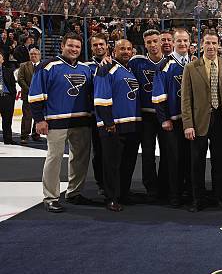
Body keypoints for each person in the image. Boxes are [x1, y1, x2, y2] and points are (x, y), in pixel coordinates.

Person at [29, 33, 94, 212]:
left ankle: (74, 193)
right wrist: (39, 119)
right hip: (55, 122)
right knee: (54, 158)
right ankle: (50, 197)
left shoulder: (86, 69)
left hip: (81, 121)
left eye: (77, 47)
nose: (74, 50)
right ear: (62, 46)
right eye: (70, 46)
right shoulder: (47, 66)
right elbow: (35, 95)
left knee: (80, 159)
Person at [182, 31, 222, 212]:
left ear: (219, 45)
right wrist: (188, 124)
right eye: (207, 43)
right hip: (198, 122)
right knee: (197, 163)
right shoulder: (191, 67)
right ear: (200, 44)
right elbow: (186, 99)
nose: (211, 46)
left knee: (221, 162)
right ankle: (198, 199)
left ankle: (220, 197)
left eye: (214, 43)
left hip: (221, 121)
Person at [94, 39, 142, 212]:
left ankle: (123, 193)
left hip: (132, 126)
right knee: (112, 164)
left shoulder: (129, 69)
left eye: (129, 49)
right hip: (113, 126)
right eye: (122, 48)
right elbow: (100, 98)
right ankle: (111, 197)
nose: (126, 51)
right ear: (113, 50)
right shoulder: (106, 68)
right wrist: (108, 122)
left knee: (127, 163)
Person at [153, 29, 191, 208]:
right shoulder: (164, 66)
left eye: (185, 41)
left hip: (190, 121)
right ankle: (174, 194)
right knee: (173, 158)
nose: (183, 44)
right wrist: (163, 119)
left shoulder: (194, 63)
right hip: (172, 121)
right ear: (173, 43)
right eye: (179, 41)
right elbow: (158, 96)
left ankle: (187, 190)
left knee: (188, 157)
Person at [129, 29, 168, 199]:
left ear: (161, 42)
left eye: (155, 41)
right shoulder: (136, 62)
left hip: (166, 116)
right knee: (148, 152)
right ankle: (151, 187)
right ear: (145, 44)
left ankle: (166, 184)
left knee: (167, 152)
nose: (152, 45)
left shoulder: (169, 63)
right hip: (146, 116)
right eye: (149, 42)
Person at [84, 34, 110, 195]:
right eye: (95, 45)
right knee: (99, 152)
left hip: (114, 116)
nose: (99, 47)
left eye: (102, 44)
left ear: (107, 45)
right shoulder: (86, 67)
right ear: (91, 48)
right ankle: (101, 183)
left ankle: (114, 181)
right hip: (95, 116)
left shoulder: (116, 64)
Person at [17, 47, 41, 144]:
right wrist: (30, 90)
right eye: (31, 54)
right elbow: (20, 79)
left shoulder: (44, 66)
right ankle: (24, 136)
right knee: (27, 116)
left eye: (35, 54)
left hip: (40, 95)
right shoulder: (23, 65)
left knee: (38, 115)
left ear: (39, 56)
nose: (33, 56)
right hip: (28, 95)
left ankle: (36, 134)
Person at [0, 52, 17, 145]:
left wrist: (12, 97)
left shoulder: (8, 71)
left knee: (7, 120)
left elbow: (13, 86)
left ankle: (8, 139)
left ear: (2, 60)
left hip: (6, 98)